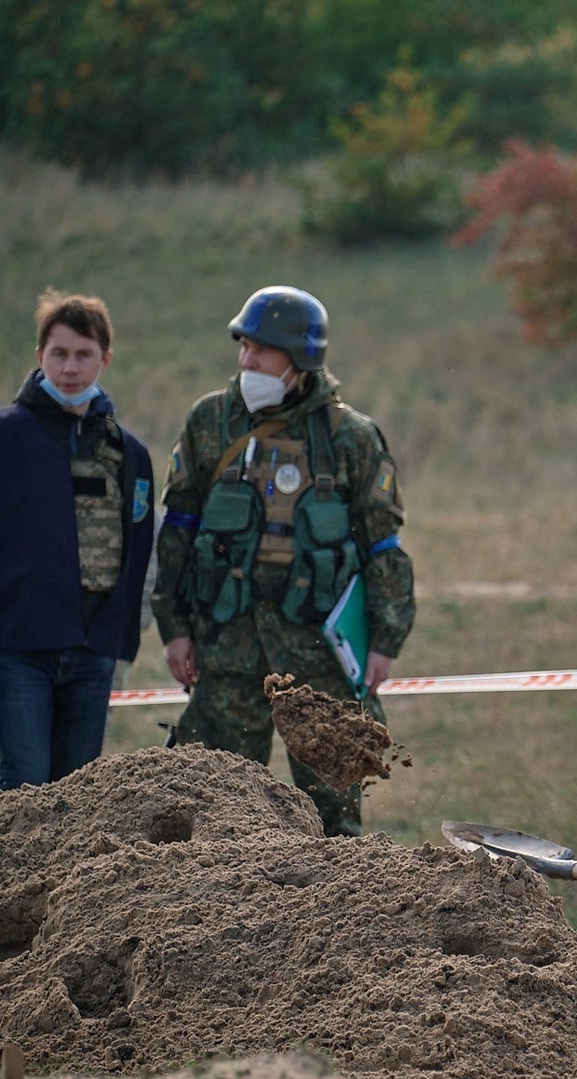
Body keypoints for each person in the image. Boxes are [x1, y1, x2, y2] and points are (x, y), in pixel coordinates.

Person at [153, 286, 414, 836]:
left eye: (261, 351)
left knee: (333, 822)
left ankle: (335, 918)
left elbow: (383, 547)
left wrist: (384, 642)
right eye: (243, 347)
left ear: (299, 360)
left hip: (318, 657)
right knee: (212, 807)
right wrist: (175, 630)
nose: (247, 361)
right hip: (226, 650)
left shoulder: (350, 438)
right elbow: (178, 531)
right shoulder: (209, 423)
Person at [0, 291, 154, 788]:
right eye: (59, 353)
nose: (70, 367)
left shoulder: (129, 451)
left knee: (78, 797)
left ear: (105, 359)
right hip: (18, 650)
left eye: (83, 354)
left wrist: (116, 635)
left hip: (93, 650)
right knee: (26, 786)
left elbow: (136, 549)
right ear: (39, 356)